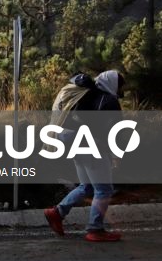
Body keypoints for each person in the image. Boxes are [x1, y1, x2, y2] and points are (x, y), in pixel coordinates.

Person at [44, 70, 126, 242]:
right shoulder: (108, 100)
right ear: (113, 84)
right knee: (104, 189)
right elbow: (114, 131)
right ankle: (95, 229)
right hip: (87, 143)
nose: (121, 91)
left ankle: (57, 213)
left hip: (70, 139)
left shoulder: (86, 94)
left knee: (87, 186)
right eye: (120, 87)